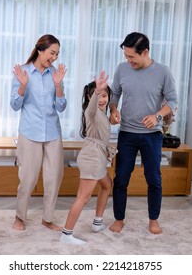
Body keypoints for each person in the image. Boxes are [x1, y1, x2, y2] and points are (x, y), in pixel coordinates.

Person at [108, 32, 178, 235]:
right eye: (126, 56)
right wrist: (113, 110)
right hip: (127, 133)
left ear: (145, 52)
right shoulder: (122, 69)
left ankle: (153, 220)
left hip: (152, 135)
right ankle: (119, 219)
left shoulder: (163, 72)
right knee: (121, 178)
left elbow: (172, 100)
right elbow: (115, 94)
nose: (128, 61)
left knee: (153, 178)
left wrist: (157, 116)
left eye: (132, 57)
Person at [10, 34, 67, 231]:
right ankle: (20, 216)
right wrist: (23, 86)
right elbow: (15, 106)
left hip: (52, 132)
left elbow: (61, 107)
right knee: (28, 178)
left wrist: (58, 86)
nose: (55, 57)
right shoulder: (23, 72)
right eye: (52, 52)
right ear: (40, 50)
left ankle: (47, 219)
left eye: (57, 54)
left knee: (54, 177)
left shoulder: (55, 74)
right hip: (29, 131)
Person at [60, 71, 117, 245]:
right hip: (92, 158)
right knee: (83, 197)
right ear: (89, 96)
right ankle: (66, 235)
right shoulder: (90, 112)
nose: (101, 99)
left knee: (107, 185)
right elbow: (92, 107)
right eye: (97, 96)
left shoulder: (102, 115)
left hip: (97, 158)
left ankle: (97, 223)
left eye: (105, 95)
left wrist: (112, 117)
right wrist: (97, 93)